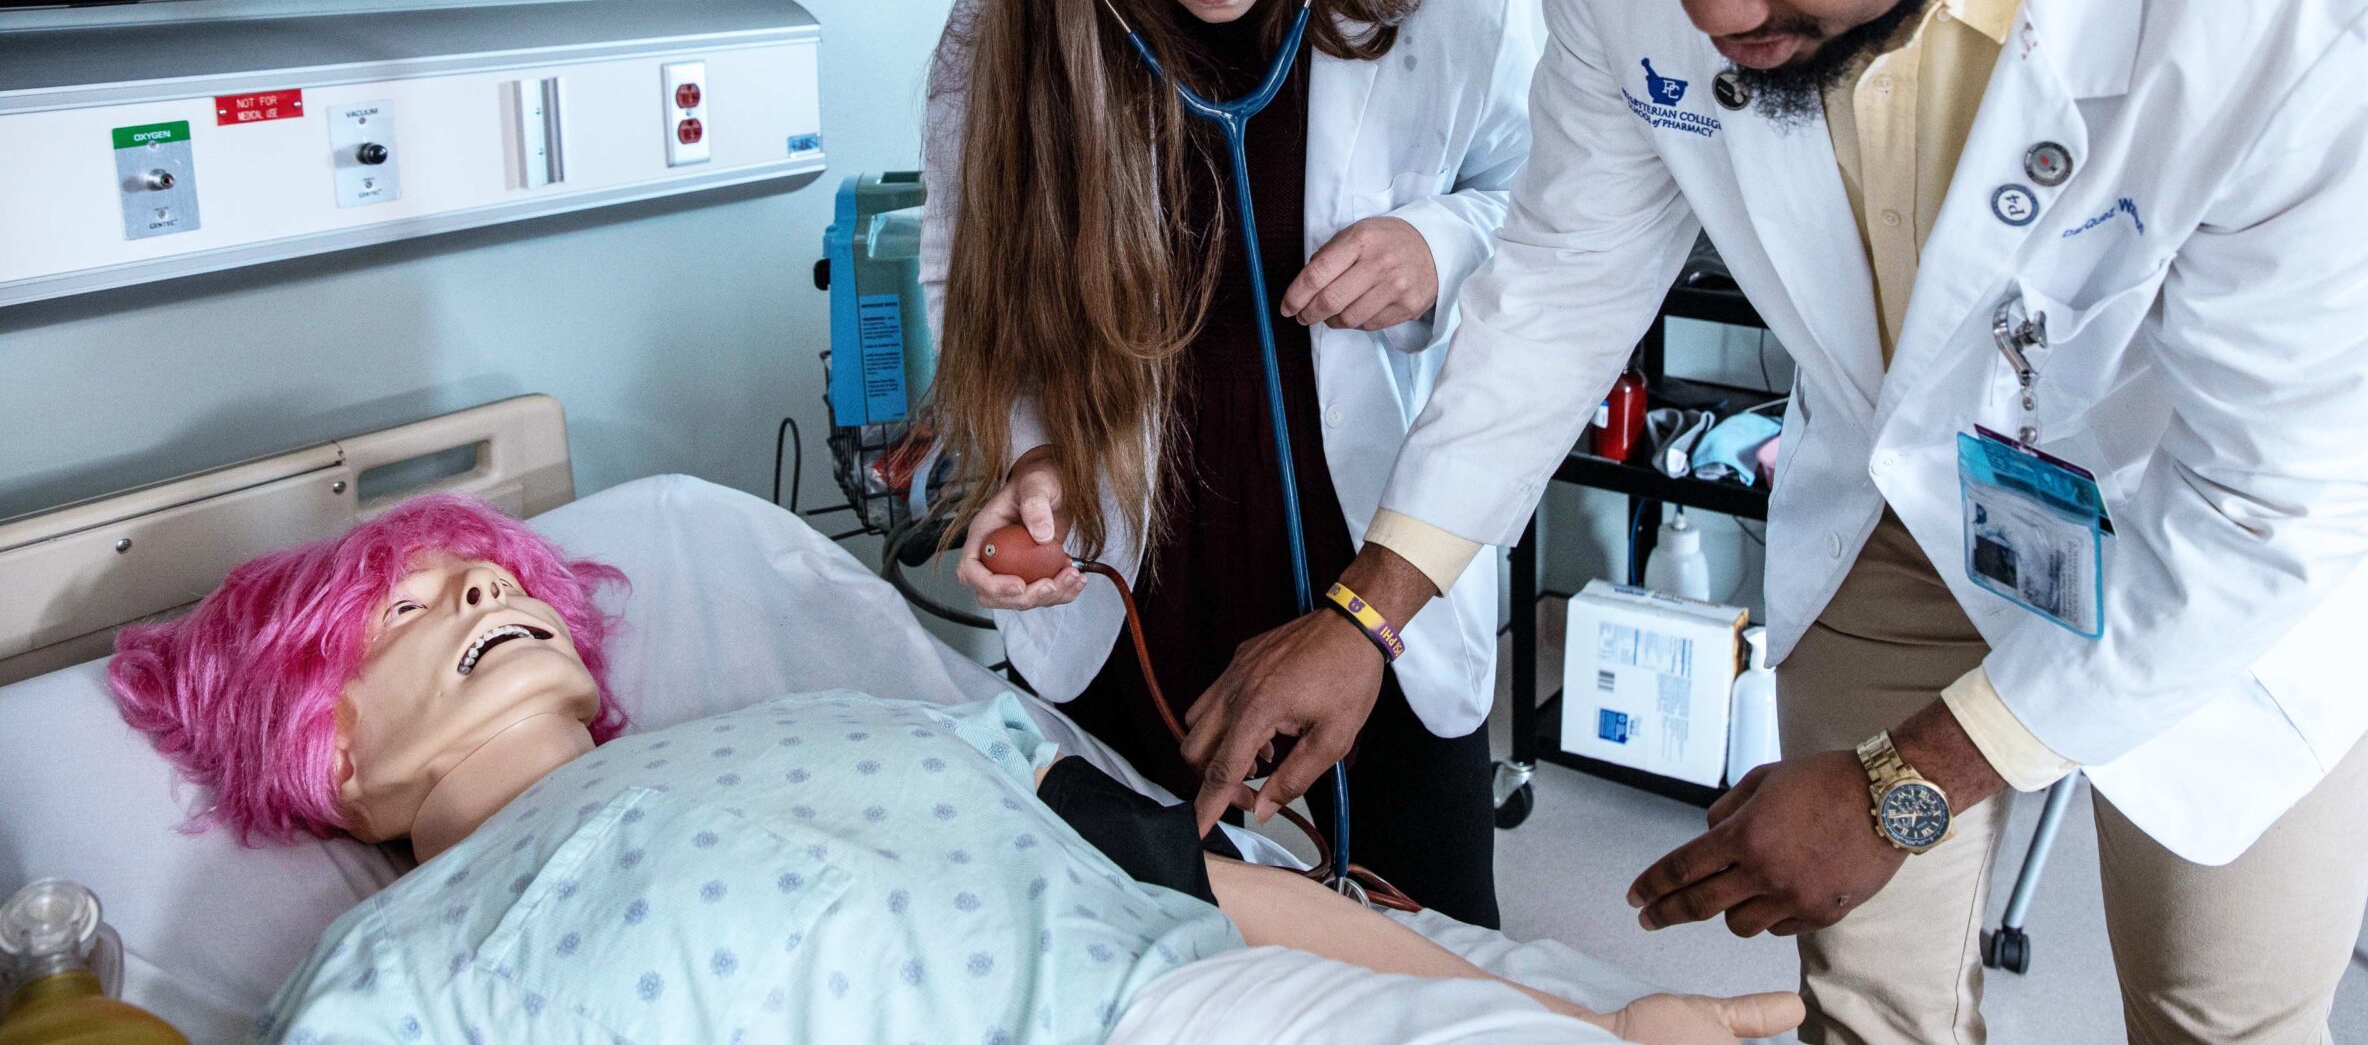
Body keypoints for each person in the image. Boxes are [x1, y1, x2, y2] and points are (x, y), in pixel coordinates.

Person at [1183, 0, 2368, 1044]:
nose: (1717, 7)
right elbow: (1567, 271)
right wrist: (1372, 604)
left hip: (2216, 549)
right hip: (1901, 494)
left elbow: (2280, 504)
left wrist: (1906, 784)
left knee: (2222, 1015)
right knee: (1864, 1008)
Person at [105, 494, 1800, 1045]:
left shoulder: (859, 721)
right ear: (319, 741)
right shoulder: (400, 972)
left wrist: (1573, 1008)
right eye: (406, 603)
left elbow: (1194, 880)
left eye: (495, 575)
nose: (480, 585)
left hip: (1203, 999)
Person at [920, 0, 1533, 927]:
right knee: (1138, 950)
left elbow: (1538, 220)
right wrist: (1022, 463)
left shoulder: (1449, 1)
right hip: (1137, 567)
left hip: (1367, 555)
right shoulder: (1012, 27)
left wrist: (1440, 239)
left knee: (1426, 952)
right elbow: (966, 274)